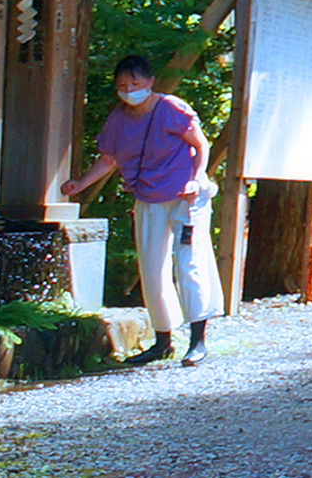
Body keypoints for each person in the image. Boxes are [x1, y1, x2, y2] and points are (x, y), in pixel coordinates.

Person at [64, 53, 222, 366]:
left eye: (135, 83)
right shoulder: (118, 120)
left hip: (186, 197)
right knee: (151, 270)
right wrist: (80, 184)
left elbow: (200, 144)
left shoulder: (172, 108)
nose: (129, 89)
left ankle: (198, 340)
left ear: (149, 82)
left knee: (190, 264)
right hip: (148, 197)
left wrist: (197, 178)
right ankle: (163, 340)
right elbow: (109, 159)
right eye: (123, 84)